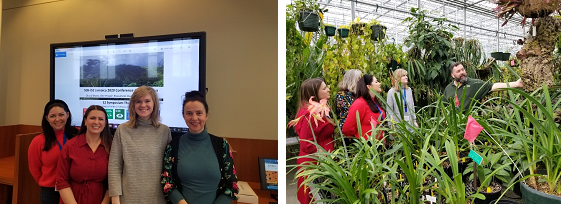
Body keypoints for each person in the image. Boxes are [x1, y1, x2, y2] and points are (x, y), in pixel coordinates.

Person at [161, 91, 238, 204]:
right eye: (189, 113)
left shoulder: (221, 145)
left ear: (206, 115)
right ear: (183, 116)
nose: (194, 118)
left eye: (199, 113)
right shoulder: (173, 146)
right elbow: (167, 182)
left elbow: (232, 186)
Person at [108, 86, 172, 204]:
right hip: (128, 199)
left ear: (154, 104)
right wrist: (115, 200)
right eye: (138, 101)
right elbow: (114, 168)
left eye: (147, 101)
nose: (143, 105)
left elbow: (169, 169)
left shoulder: (164, 131)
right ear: (133, 105)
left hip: (158, 199)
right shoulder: (122, 130)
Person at [56, 105, 112, 204]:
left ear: (105, 123)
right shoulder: (70, 146)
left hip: (100, 199)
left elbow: (112, 183)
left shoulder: (111, 148)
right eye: (92, 118)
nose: (96, 122)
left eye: (101, 119)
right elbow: (62, 182)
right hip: (72, 199)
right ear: (85, 121)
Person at [29, 100, 80, 204]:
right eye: (52, 116)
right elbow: (34, 169)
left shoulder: (78, 135)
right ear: (47, 118)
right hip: (50, 191)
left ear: (67, 115)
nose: (57, 119)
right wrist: (48, 182)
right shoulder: (38, 141)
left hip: (74, 188)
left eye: (61, 115)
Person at [293, 78, 335, 204]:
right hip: (315, 165)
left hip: (319, 163)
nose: (328, 89)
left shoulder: (316, 109)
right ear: (314, 94)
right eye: (324, 88)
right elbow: (307, 143)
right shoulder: (310, 113)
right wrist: (323, 159)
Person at [444, 62, 523, 111]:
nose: (462, 72)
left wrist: (516, 84)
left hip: (471, 126)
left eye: (463, 69)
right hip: (453, 127)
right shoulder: (448, 89)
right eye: (458, 71)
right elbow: (444, 107)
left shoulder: (474, 84)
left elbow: (493, 86)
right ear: (452, 75)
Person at [342, 74, 386, 140]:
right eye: (376, 82)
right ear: (369, 86)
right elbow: (347, 129)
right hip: (366, 145)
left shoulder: (374, 101)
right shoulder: (360, 104)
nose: (379, 84)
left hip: (377, 144)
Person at [335, 69, 362, 145]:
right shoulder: (342, 95)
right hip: (348, 133)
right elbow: (348, 112)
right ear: (352, 80)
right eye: (359, 78)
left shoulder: (357, 94)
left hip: (359, 130)